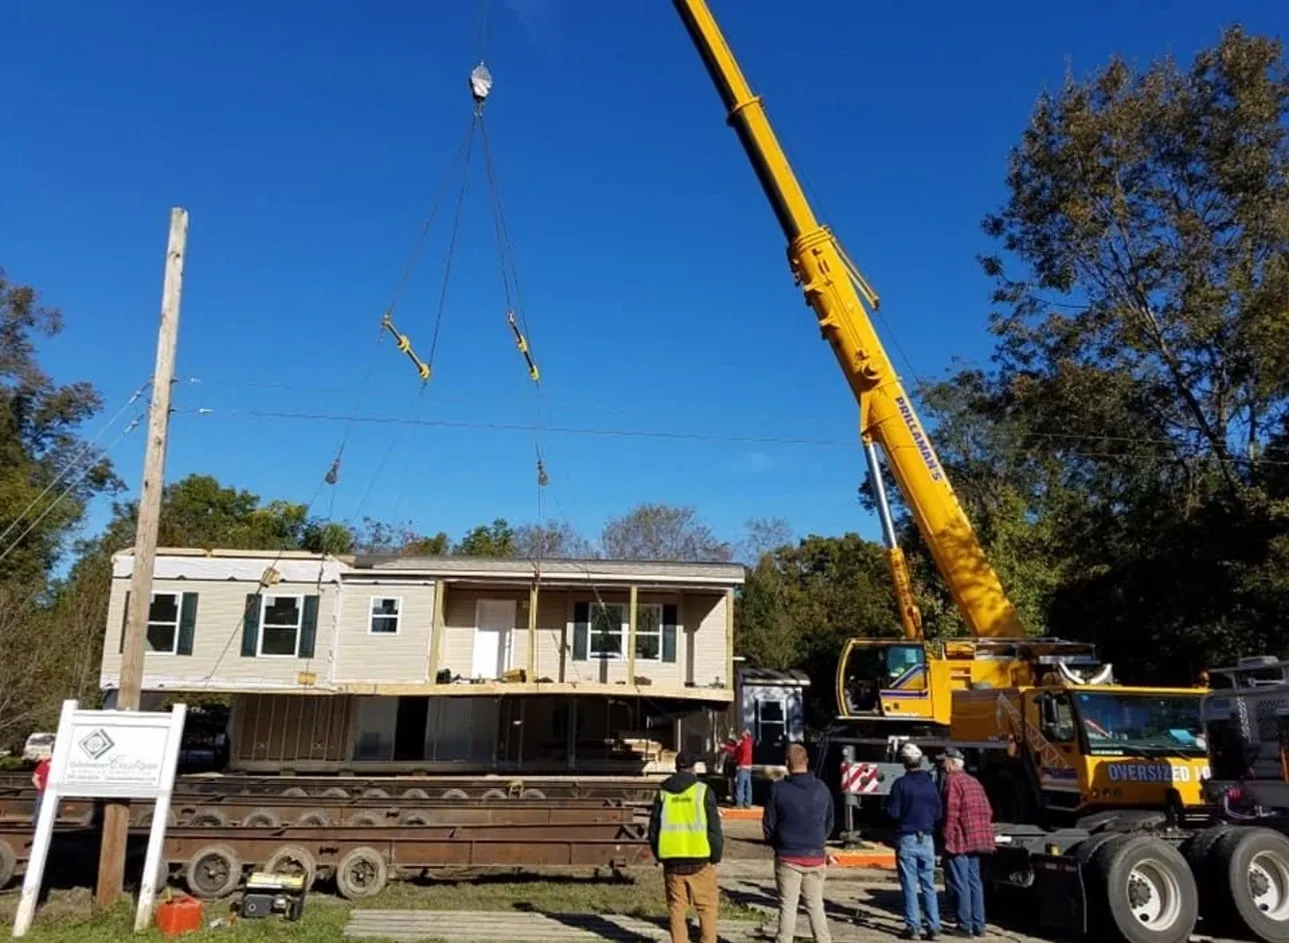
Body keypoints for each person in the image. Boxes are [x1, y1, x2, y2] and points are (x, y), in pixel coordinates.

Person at [649, 749, 724, 943]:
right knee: (707, 908)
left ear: (676, 767)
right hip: (700, 860)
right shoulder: (703, 791)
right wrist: (715, 855)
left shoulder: (663, 793)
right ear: (693, 768)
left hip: (673, 862)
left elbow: (654, 830)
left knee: (677, 908)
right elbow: (713, 828)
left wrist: (660, 855)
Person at [763, 742, 834, 943]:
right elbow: (829, 822)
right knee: (815, 905)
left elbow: (769, 825)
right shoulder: (822, 788)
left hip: (788, 855)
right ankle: (824, 939)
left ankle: (784, 939)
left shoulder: (778, 790)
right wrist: (819, 842)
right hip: (815, 855)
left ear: (787, 763)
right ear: (807, 761)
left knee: (788, 905)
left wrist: (778, 845)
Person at [886, 742, 942, 941]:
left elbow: (893, 812)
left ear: (903, 762)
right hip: (926, 837)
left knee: (909, 884)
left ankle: (913, 927)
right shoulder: (930, 784)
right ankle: (934, 927)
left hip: (907, 836)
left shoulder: (900, 784)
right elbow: (938, 812)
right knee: (928, 884)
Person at [940, 748, 993, 938]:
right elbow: (987, 809)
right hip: (977, 838)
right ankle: (980, 925)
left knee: (960, 882)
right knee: (974, 882)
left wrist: (947, 835)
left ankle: (964, 926)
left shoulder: (953, 781)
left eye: (945, 761)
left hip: (960, 839)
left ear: (953, 763)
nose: (942, 765)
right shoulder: (974, 781)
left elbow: (952, 811)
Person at [725, 728, 754, 808]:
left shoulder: (744, 743)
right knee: (748, 786)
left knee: (740, 785)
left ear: (746, 734)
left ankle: (739, 804)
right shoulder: (749, 742)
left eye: (743, 733)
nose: (741, 734)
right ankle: (748, 803)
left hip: (742, 767)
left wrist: (740, 765)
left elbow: (744, 754)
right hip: (748, 767)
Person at [31, 751, 52, 827]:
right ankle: (37, 826)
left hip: (53, 791)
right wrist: (41, 788)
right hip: (44, 791)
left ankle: (46, 825)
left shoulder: (58, 765)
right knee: (39, 809)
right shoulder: (43, 764)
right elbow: (35, 778)